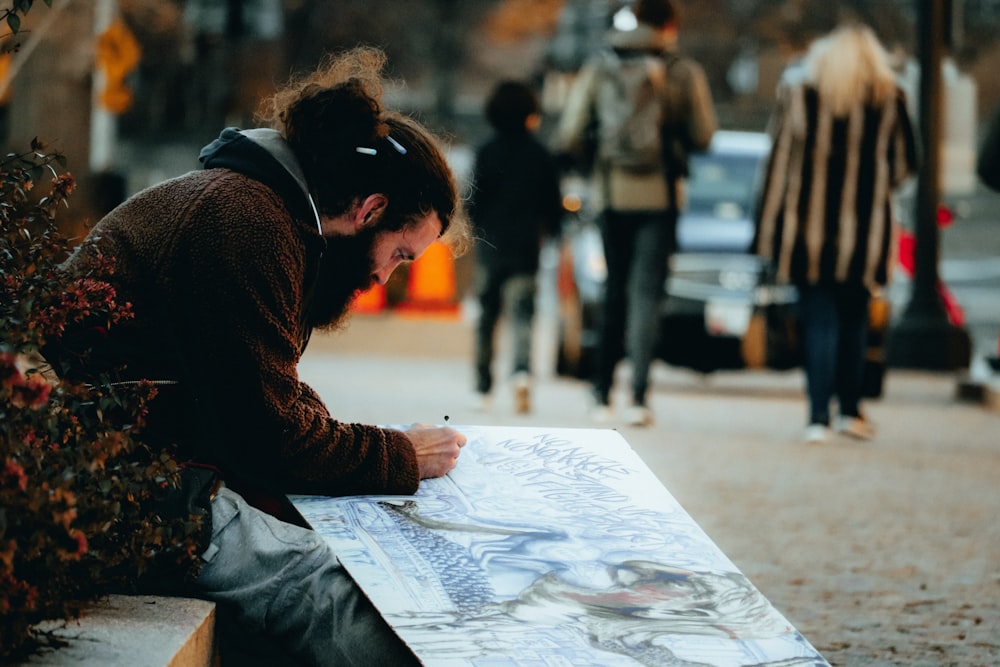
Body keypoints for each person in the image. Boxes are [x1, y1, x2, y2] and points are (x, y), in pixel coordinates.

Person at [43, 47, 471, 666]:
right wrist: (399, 455)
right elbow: (271, 437)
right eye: (401, 255)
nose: (385, 278)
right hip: (144, 490)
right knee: (347, 594)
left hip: (155, 472)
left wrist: (381, 451)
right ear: (371, 208)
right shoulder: (244, 223)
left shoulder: (261, 211)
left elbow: (266, 394)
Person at [752, 23, 918, 444]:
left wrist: (766, 229)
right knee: (854, 319)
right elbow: (903, 167)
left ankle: (816, 416)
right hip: (864, 233)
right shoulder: (889, 97)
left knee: (818, 321)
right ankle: (850, 409)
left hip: (808, 229)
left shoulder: (800, 94)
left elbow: (777, 163)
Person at [554, 0, 716, 427]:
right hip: (661, 197)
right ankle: (639, 397)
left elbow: (570, 132)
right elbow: (704, 136)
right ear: (669, 27)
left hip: (610, 194)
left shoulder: (601, 66)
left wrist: (595, 160)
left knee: (613, 293)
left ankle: (600, 394)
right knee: (647, 296)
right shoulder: (682, 71)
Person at [468, 80, 564, 414]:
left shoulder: (486, 149)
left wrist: (477, 228)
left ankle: (482, 387)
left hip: (491, 247)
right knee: (523, 315)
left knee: (487, 318)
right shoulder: (539, 153)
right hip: (526, 250)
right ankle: (521, 373)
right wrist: (551, 232)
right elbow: (553, 205)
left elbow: (474, 200)